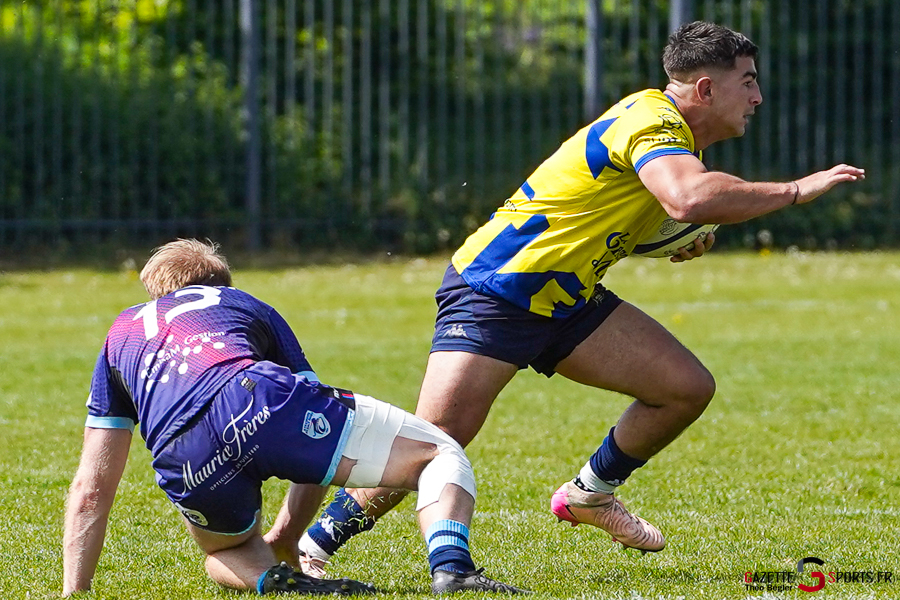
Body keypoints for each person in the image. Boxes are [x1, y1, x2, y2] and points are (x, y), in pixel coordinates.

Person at [287, 20, 866, 574]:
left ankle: (590, 495)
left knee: (684, 388)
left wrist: (660, 241)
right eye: (749, 81)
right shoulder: (652, 121)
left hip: (566, 297)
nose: (758, 96)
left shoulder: (673, 138)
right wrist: (794, 190)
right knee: (434, 441)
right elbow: (687, 199)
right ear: (706, 88)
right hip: (498, 289)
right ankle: (311, 544)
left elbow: (614, 213)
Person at [62, 239, 527, 596]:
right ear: (221, 283)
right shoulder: (241, 302)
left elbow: (90, 487)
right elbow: (309, 405)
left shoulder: (119, 334)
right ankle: (452, 569)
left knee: (224, 552)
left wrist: (75, 592)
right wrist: (290, 532)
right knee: (438, 451)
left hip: (179, 450)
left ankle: (273, 579)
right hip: (253, 394)